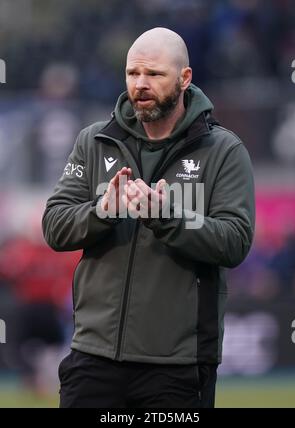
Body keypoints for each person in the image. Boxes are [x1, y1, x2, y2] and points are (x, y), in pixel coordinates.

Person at [42, 27, 255, 408]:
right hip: (93, 357)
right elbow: (55, 225)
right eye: (132, 73)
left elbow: (234, 240)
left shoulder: (224, 150)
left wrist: (166, 215)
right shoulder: (95, 141)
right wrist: (102, 211)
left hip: (178, 365)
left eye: (154, 75)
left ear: (185, 78)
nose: (140, 84)